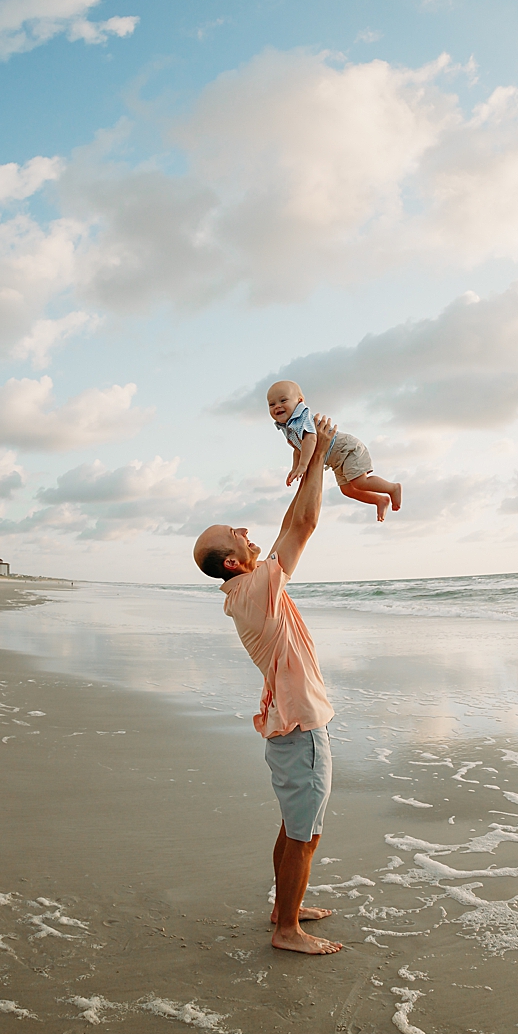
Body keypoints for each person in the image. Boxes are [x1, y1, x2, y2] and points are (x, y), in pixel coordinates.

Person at [193, 411, 344, 955]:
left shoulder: (244, 591)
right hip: (300, 726)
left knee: (295, 823)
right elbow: (300, 526)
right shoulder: (253, 589)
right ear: (232, 561)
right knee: (306, 832)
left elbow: (288, 529)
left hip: (293, 722)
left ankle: (286, 908)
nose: (245, 530)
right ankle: (287, 932)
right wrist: (318, 457)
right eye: (235, 534)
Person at [266, 380, 401, 522]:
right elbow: (298, 449)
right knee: (347, 490)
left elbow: (310, 439)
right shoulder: (288, 426)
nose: (277, 406)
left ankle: (393, 488)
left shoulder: (301, 417)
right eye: (272, 404)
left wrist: (303, 466)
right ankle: (379, 500)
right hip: (337, 460)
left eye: (283, 400)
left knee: (360, 482)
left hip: (346, 449)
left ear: (299, 401)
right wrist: (295, 469)